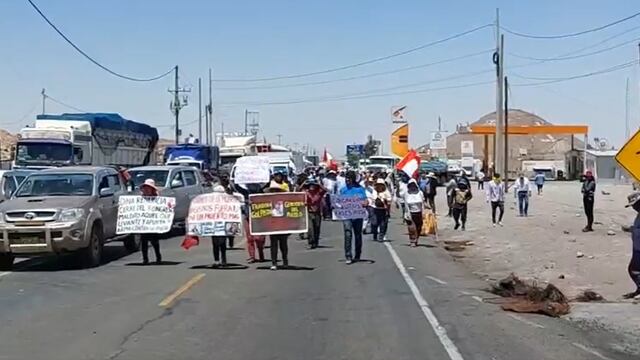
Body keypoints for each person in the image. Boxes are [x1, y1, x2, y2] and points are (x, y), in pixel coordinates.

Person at [339, 171, 368, 264]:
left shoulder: (360, 189)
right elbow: (339, 201)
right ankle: (348, 255)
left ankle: (357, 255)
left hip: (357, 215)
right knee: (348, 234)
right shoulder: (343, 189)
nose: (347, 180)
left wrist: (365, 203)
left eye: (349, 178)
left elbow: (365, 200)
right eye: (346, 178)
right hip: (347, 215)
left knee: (358, 235)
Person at [266, 182, 291, 270]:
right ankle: (274, 262)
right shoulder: (267, 200)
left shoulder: (285, 200)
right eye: (273, 191)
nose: (274, 192)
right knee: (273, 244)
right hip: (272, 225)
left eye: (276, 190)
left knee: (283, 244)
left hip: (283, 224)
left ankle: (285, 260)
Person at [139, 179, 162, 265]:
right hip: (143, 223)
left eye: (148, 188)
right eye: (145, 188)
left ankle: (158, 257)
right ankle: (145, 259)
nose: (147, 189)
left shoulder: (157, 199)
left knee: (155, 241)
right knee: (144, 241)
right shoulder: (139, 199)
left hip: (153, 223)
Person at [622, 192, 640, 299]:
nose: (633, 207)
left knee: (634, 270)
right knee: (633, 269)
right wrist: (631, 229)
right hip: (637, 246)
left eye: (634, 205)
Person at [304, 178, 326, 249]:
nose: (312, 187)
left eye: (313, 185)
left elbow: (326, 190)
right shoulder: (306, 193)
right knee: (310, 228)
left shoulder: (319, 193)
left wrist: (319, 184)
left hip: (317, 212)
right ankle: (311, 242)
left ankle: (316, 242)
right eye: (310, 185)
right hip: (309, 212)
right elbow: (297, 192)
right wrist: (303, 183)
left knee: (317, 227)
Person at [211, 185, 230, 267]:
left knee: (222, 242)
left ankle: (223, 259)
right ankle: (216, 260)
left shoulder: (227, 201)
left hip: (223, 223)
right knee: (215, 242)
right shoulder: (211, 202)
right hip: (214, 223)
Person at [403, 179, 426, 247]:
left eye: (413, 185)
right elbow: (405, 204)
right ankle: (412, 240)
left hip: (419, 213)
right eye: (411, 185)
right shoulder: (406, 194)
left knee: (419, 228)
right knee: (412, 228)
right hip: (410, 213)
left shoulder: (420, 193)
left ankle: (416, 239)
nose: (412, 187)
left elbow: (423, 202)